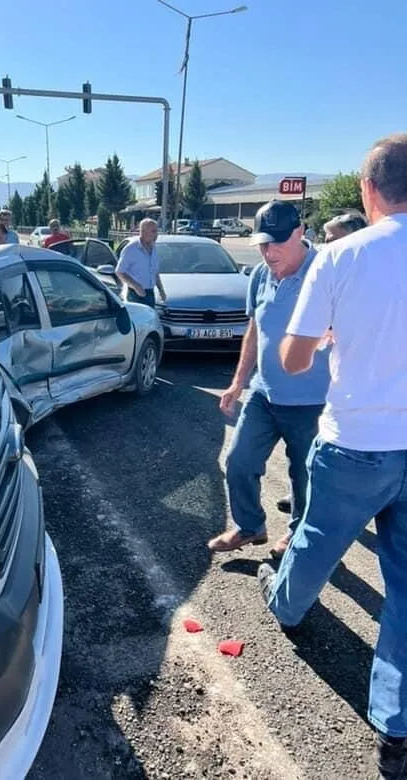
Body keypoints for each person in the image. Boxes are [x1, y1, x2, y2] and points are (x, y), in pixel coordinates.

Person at [257, 133, 407, 780]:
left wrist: (328, 338)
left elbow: (294, 358)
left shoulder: (342, 256)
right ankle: (395, 729)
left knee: (317, 540)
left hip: (355, 442)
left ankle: (286, 607)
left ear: (368, 190)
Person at [207, 201, 330, 559]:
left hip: (313, 401)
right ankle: (250, 526)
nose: (270, 252)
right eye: (263, 243)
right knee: (239, 462)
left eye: (278, 242)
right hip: (264, 393)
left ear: (300, 232)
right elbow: (255, 329)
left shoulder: (325, 273)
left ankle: (297, 536)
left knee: (304, 477)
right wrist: (238, 381)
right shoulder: (261, 274)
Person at [276, 210, 368, 516]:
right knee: (310, 447)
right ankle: (304, 495)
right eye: (325, 240)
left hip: (347, 389)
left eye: (332, 240)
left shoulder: (352, 276)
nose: (325, 246)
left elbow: (294, 356)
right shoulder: (337, 271)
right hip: (327, 384)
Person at [115, 218, 167, 308]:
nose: (157, 235)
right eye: (153, 231)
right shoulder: (131, 249)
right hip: (135, 294)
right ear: (143, 232)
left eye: (156, 231)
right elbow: (119, 272)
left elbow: (155, 272)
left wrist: (161, 290)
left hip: (150, 293)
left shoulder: (154, 248)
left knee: (150, 316)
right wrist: (136, 286)